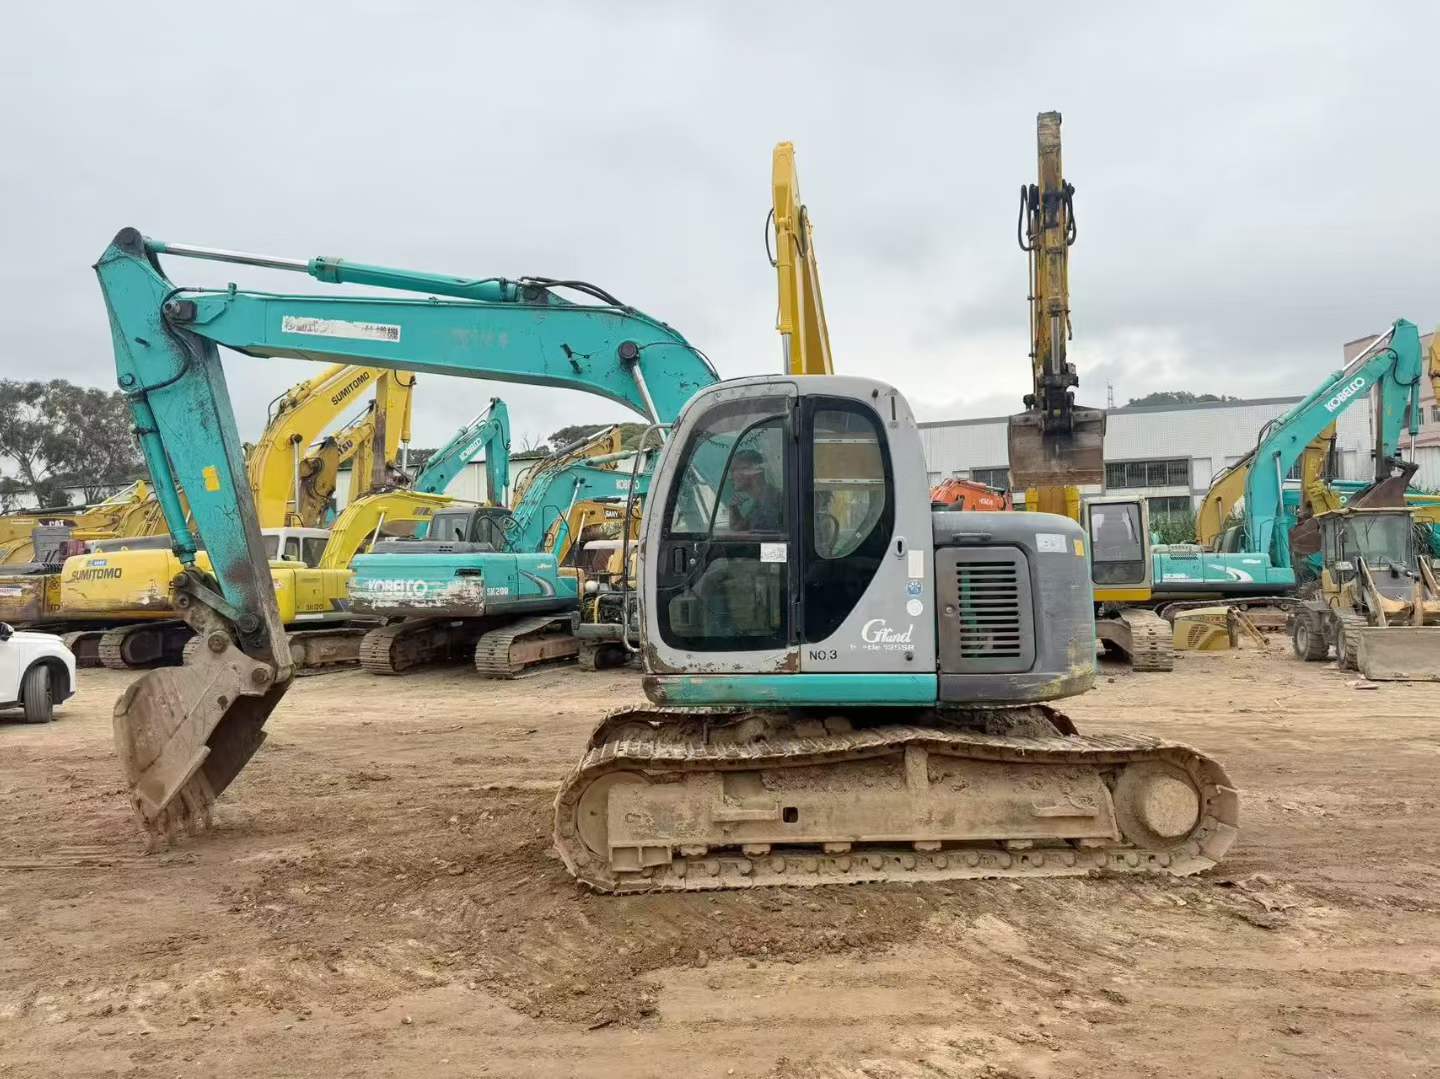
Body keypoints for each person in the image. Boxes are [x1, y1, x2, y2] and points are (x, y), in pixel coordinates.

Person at [725, 447, 783, 532]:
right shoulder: (760, 502)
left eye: (734, 470)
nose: (730, 477)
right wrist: (733, 508)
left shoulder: (775, 502)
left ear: (750, 471)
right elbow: (739, 529)